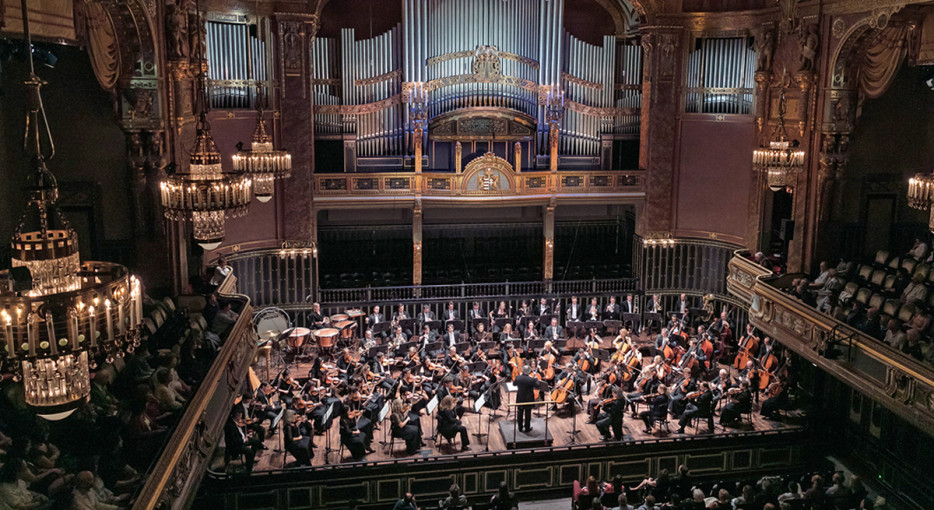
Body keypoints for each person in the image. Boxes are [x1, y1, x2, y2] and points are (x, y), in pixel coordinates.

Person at [514, 365, 536, 433]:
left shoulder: (518, 378)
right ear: (529, 371)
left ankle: (520, 428)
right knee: (528, 414)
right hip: (528, 399)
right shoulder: (532, 380)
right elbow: (538, 385)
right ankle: (527, 428)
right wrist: (535, 377)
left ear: (522, 371)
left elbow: (514, 384)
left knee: (520, 413)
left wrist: (519, 376)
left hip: (520, 398)